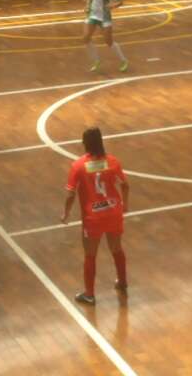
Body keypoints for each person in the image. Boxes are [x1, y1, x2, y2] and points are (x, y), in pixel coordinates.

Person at [62, 127, 130, 305]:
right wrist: (125, 205)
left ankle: (89, 294)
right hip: (113, 211)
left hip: (93, 218)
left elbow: (70, 194)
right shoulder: (112, 161)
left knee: (90, 254)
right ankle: (122, 282)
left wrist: (66, 213)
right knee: (116, 248)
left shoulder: (78, 166)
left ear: (85, 144)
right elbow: (125, 185)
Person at [84, 0, 128, 73]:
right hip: (93, 14)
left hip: (104, 16)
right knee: (86, 38)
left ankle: (124, 60)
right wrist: (87, 5)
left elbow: (120, 1)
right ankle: (96, 60)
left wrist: (112, 6)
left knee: (108, 41)